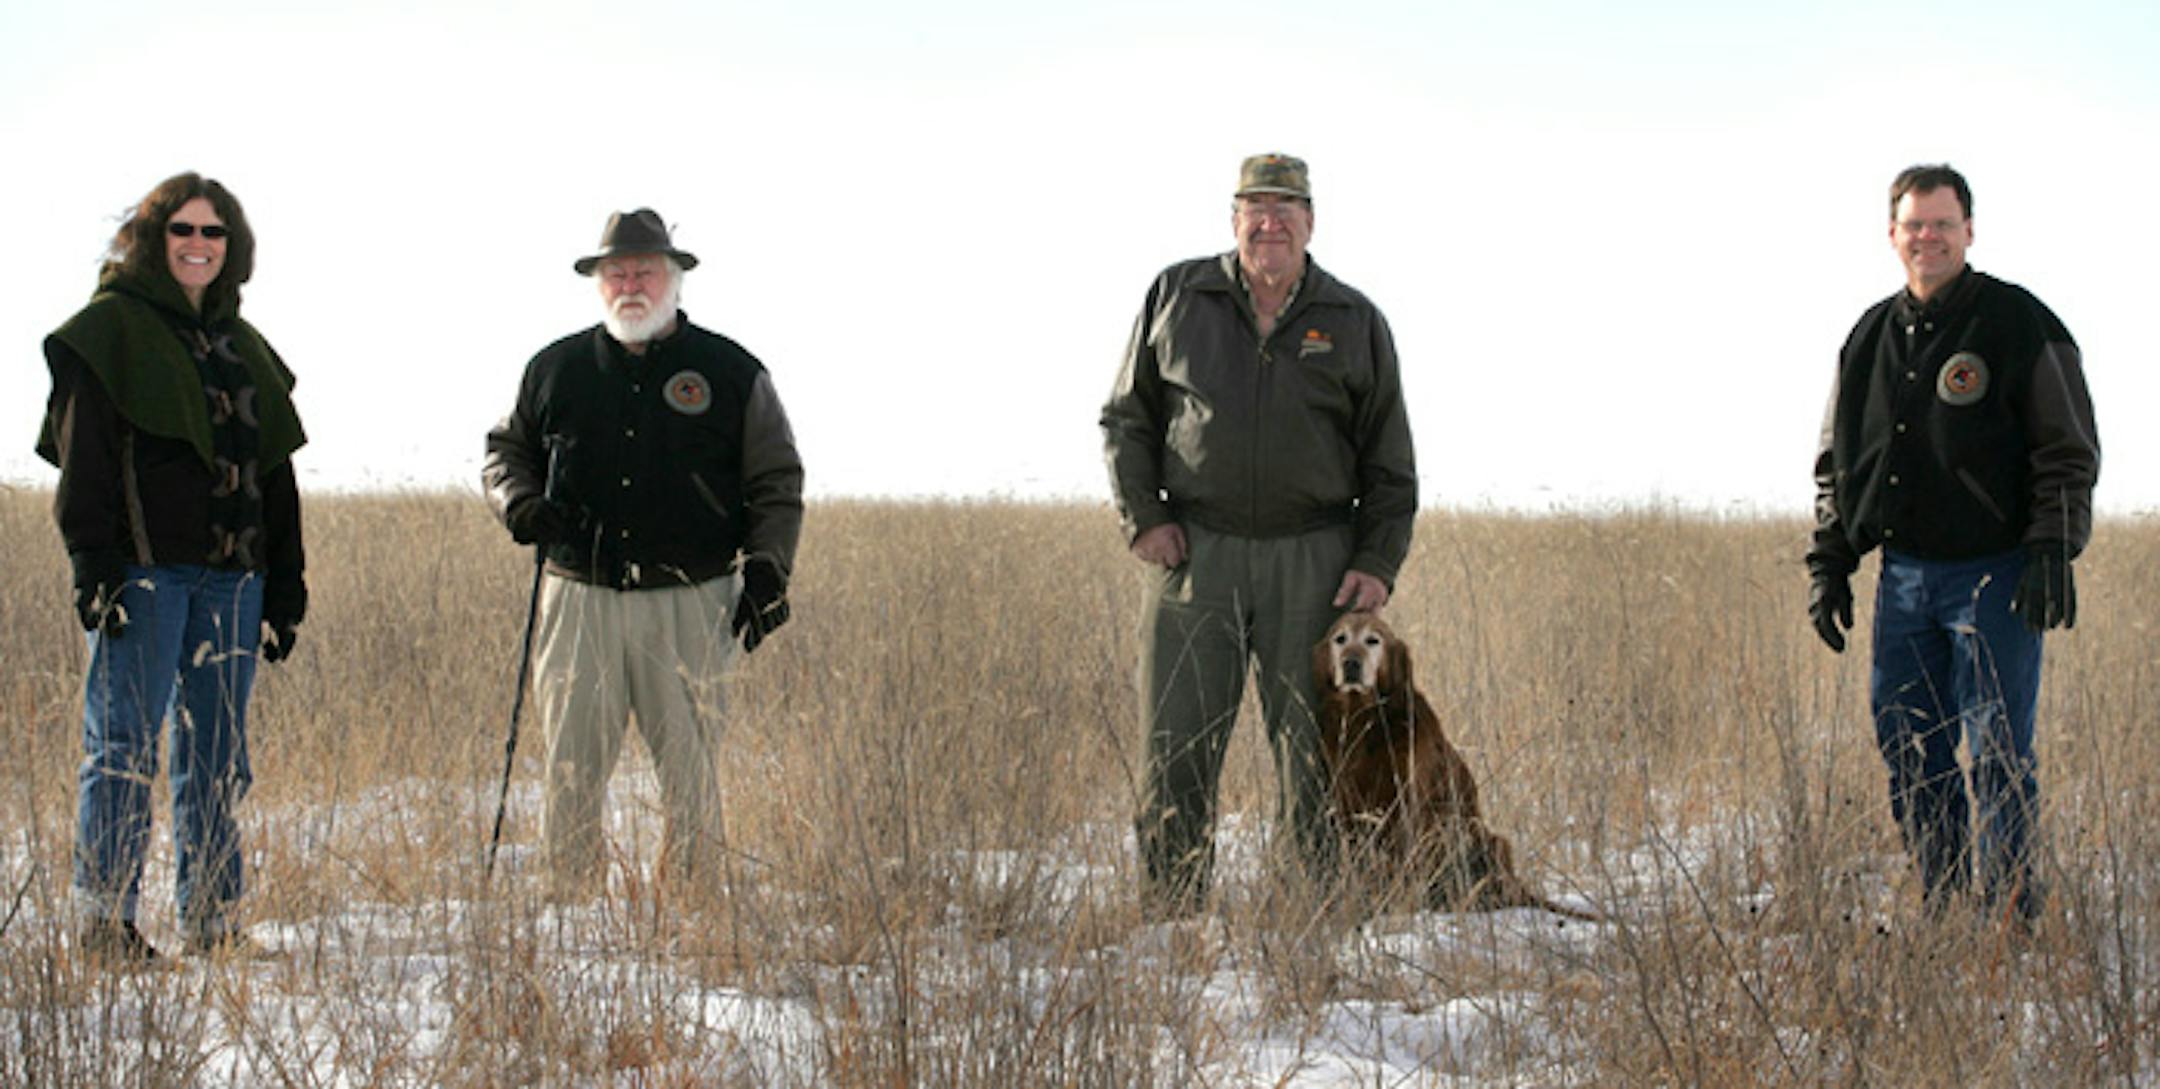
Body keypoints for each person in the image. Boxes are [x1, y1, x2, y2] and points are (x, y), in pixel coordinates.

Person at [1101, 153, 1418, 915]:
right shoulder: (1179, 295)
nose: (1270, 222)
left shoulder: (1353, 318)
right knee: (1176, 743)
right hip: (1196, 555)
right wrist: (1144, 516)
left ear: (1311, 222)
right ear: (1233, 218)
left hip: (1314, 560)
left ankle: (1311, 914)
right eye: (1256, 207)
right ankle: (1170, 915)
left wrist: (1375, 563)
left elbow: (1391, 461)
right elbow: (1127, 417)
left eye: (1286, 208)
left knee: (1315, 749)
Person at [483, 208, 804, 902]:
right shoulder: (553, 369)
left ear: (675, 278)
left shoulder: (732, 370)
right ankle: (567, 906)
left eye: (644, 270)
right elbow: (505, 452)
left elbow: (776, 480)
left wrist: (769, 569)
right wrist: (520, 501)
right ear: (599, 283)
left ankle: (691, 906)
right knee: (570, 763)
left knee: (691, 771)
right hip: (579, 596)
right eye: (616, 272)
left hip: (692, 597)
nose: (630, 283)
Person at [1808, 164, 2099, 926]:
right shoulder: (1868, 337)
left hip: (1996, 574)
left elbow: (2066, 447)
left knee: (2000, 750)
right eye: (1914, 224)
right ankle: (1945, 904)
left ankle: (2011, 918)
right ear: (1892, 235)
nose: (1928, 237)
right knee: (1910, 746)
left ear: (1969, 230)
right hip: (1903, 580)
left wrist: (2050, 549)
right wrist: (1830, 562)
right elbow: (1838, 460)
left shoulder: (2017, 323)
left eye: (1942, 223)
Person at [38, 172, 308, 963]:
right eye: (183, 230)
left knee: (218, 751)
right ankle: (104, 924)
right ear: (154, 239)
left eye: (213, 232)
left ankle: (214, 917)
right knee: (122, 744)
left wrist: (285, 585)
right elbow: (83, 457)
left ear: (233, 247)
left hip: (234, 577)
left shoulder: (243, 345)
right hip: (146, 575)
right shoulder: (110, 330)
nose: (198, 245)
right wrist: (92, 559)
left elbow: (274, 475)